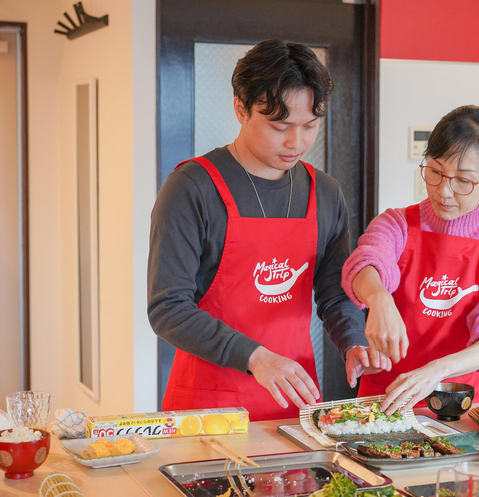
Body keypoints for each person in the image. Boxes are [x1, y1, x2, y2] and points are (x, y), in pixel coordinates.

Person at [148, 40, 385, 421]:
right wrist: (256, 358)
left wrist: (353, 342)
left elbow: (334, 294)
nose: (297, 142)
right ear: (241, 108)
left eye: (310, 126)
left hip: (293, 400)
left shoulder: (324, 191)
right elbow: (167, 308)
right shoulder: (192, 187)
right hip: (209, 405)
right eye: (280, 126)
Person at [342, 105, 479, 414]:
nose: (444, 191)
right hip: (386, 400)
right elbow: (367, 262)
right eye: (435, 172)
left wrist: (434, 372)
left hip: (462, 403)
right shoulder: (398, 223)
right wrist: (378, 299)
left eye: (463, 180)